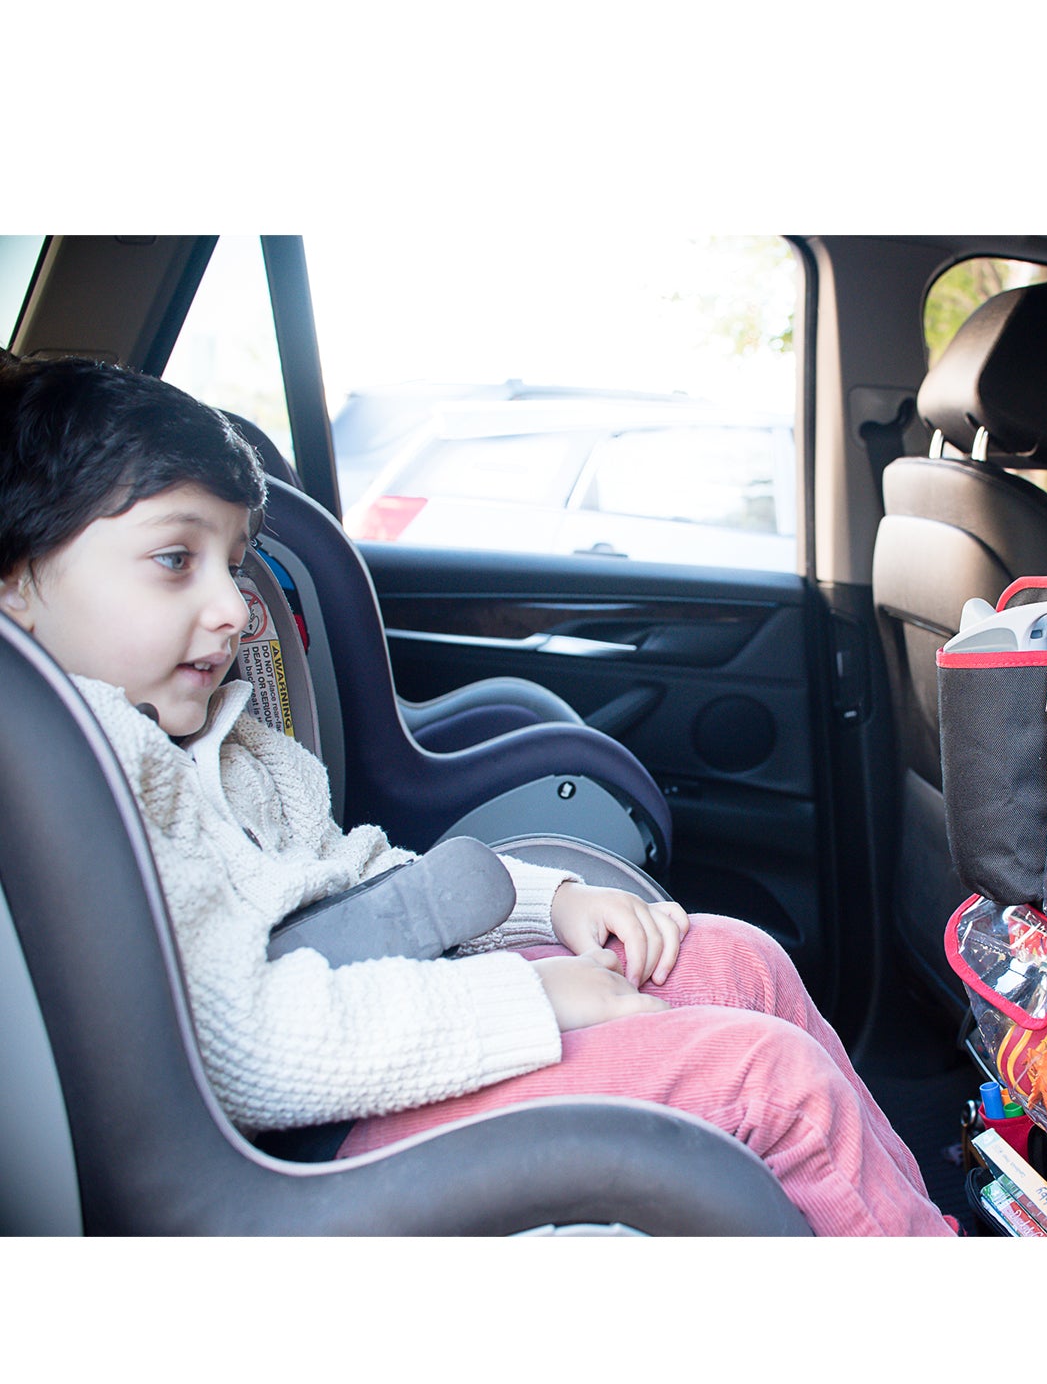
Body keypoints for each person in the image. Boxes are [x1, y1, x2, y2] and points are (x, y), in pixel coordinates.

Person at [0, 355, 954, 1237]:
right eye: (176, 560)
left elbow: (375, 889)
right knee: (774, 1085)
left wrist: (551, 904)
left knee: (743, 961)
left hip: (380, 1048)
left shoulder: (237, 746)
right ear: (16, 585)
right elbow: (245, 1044)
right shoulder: (85, 777)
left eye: (236, 561)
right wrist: (531, 995)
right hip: (304, 1145)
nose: (234, 607)